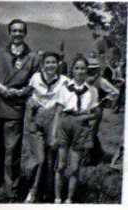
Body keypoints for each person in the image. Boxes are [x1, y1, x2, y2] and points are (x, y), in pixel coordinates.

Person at [0, 19, 40, 200]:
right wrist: (0, 87)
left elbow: (35, 83)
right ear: (9, 33)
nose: (17, 34)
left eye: (20, 31)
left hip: (15, 107)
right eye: (14, 31)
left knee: (12, 149)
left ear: (25, 34)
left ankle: (12, 187)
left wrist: (20, 92)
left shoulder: (33, 57)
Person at [52, 55, 99, 204]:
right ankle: (57, 198)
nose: (80, 71)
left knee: (75, 167)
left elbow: (96, 114)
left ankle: (69, 199)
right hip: (65, 124)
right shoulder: (64, 89)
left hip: (81, 126)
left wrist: (86, 117)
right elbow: (58, 112)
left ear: (87, 71)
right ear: (72, 70)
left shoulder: (92, 90)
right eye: (77, 68)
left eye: (83, 68)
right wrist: (53, 134)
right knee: (60, 165)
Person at [23, 52, 69, 203]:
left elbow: (71, 98)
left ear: (58, 64)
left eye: (53, 62)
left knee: (50, 159)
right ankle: (32, 190)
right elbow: (27, 94)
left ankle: (46, 191)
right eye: (47, 62)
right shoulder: (36, 78)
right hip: (36, 118)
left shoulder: (64, 81)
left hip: (54, 119)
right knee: (39, 158)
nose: (50, 65)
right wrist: (30, 106)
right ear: (42, 65)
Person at [86, 58, 119, 165]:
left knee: (91, 133)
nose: (91, 71)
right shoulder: (85, 79)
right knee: (87, 132)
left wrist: (104, 100)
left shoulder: (101, 81)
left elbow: (115, 92)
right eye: (89, 69)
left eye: (94, 69)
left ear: (97, 70)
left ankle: (92, 158)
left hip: (96, 109)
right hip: (85, 110)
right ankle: (97, 153)